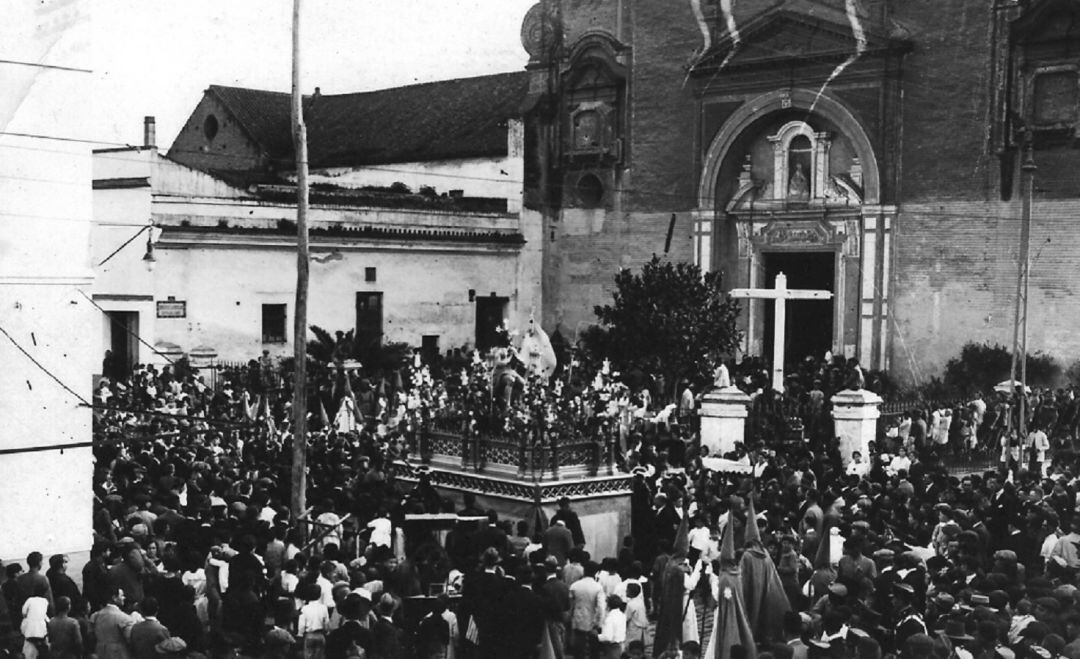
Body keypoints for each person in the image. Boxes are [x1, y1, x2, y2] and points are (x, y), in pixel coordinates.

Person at [569, 561, 606, 659]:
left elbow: (571, 605)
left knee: (578, 650)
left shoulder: (575, 586)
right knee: (594, 651)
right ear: (596, 572)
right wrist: (598, 623)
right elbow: (601, 608)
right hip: (592, 621)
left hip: (578, 620)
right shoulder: (598, 587)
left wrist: (571, 618)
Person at [90, 586, 136, 659]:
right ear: (114, 598)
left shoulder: (95, 616)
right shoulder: (125, 618)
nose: (124, 598)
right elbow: (130, 640)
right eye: (121, 595)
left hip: (100, 653)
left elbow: (91, 636)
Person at [20, 581, 50, 659]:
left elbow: (23, 612)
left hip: (29, 629)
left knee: (29, 647)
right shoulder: (45, 601)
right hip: (41, 629)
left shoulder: (30, 600)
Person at [597, 594, 627, 659]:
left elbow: (607, 637)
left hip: (612, 647)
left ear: (608, 605)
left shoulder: (610, 618)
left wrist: (596, 636)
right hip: (621, 645)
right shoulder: (622, 615)